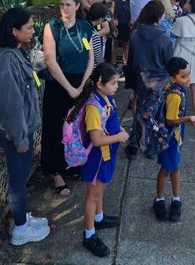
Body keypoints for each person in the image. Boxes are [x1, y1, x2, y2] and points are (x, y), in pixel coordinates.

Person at [65, 63, 128, 257]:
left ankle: (99, 218)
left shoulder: (106, 97)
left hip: (106, 155)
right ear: (100, 84)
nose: (117, 86)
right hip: (98, 157)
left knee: (101, 188)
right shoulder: (94, 106)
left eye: (117, 82)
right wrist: (119, 137)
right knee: (93, 195)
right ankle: (89, 234)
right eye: (113, 83)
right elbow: (96, 139)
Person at [0, 8, 51, 246]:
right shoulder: (7, 60)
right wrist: (20, 138)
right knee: (18, 180)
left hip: (25, 128)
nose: (33, 30)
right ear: (14, 31)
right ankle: (20, 228)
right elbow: (11, 105)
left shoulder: (18, 52)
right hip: (16, 133)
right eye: (29, 27)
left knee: (20, 176)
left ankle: (22, 218)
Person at [42, 0, 95, 195]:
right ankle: (56, 172)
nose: (64, 8)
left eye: (68, 4)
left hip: (81, 82)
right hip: (59, 84)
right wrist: (70, 88)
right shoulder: (52, 27)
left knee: (77, 127)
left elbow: (91, 58)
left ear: (77, 6)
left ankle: (73, 164)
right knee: (56, 127)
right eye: (61, 4)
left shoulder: (85, 27)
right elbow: (50, 61)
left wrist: (82, 85)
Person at [153, 57, 195, 222]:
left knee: (174, 167)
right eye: (184, 76)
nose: (188, 79)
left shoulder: (175, 87)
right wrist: (189, 119)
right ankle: (160, 199)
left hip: (175, 136)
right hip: (170, 138)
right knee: (166, 169)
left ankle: (175, 198)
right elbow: (171, 119)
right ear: (174, 78)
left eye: (188, 75)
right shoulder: (175, 95)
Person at [125, 0, 173, 161]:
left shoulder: (136, 34)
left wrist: (131, 85)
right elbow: (170, 63)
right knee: (156, 116)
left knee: (139, 113)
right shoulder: (164, 39)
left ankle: (133, 144)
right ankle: (151, 146)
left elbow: (131, 61)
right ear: (159, 16)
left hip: (140, 80)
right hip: (159, 83)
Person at [111, 0, 132, 66]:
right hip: (116, 22)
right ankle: (113, 63)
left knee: (125, 44)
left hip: (126, 22)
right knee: (114, 43)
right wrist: (112, 18)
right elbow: (113, 5)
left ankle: (125, 64)